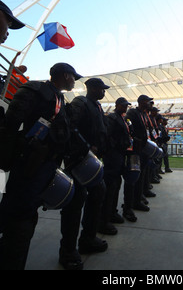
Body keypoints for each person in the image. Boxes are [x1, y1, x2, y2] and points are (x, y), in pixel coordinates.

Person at [0, 62, 82, 270]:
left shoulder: (59, 98)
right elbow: (10, 125)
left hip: (44, 167)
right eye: (74, 77)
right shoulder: (34, 90)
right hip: (28, 168)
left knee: (26, 221)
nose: (75, 81)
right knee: (20, 223)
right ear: (65, 75)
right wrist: (9, 159)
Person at [60, 77, 110, 271]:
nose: (103, 92)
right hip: (78, 161)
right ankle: (68, 251)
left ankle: (88, 238)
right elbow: (70, 127)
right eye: (100, 88)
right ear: (90, 88)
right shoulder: (81, 102)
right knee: (75, 203)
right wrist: (86, 146)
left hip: (90, 161)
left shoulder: (96, 106)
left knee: (98, 192)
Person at [102, 97, 140, 227]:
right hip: (114, 156)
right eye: (123, 105)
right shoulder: (112, 118)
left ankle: (113, 212)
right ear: (117, 105)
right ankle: (108, 215)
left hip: (122, 155)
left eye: (126, 106)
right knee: (111, 186)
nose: (125, 108)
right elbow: (108, 137)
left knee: (117, 184)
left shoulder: (124, 119)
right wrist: (118, 146)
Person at [126, 95, 153, 212]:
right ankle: (130, 204)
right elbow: (128, 126)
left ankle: (137, 198)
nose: (149, 103)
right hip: (135, 151)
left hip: (143, 150)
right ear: (141, 102)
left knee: (141, 175)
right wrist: (135, 138)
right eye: (147, 101)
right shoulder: (133, 113)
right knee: (133, 177)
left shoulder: (143, 114)